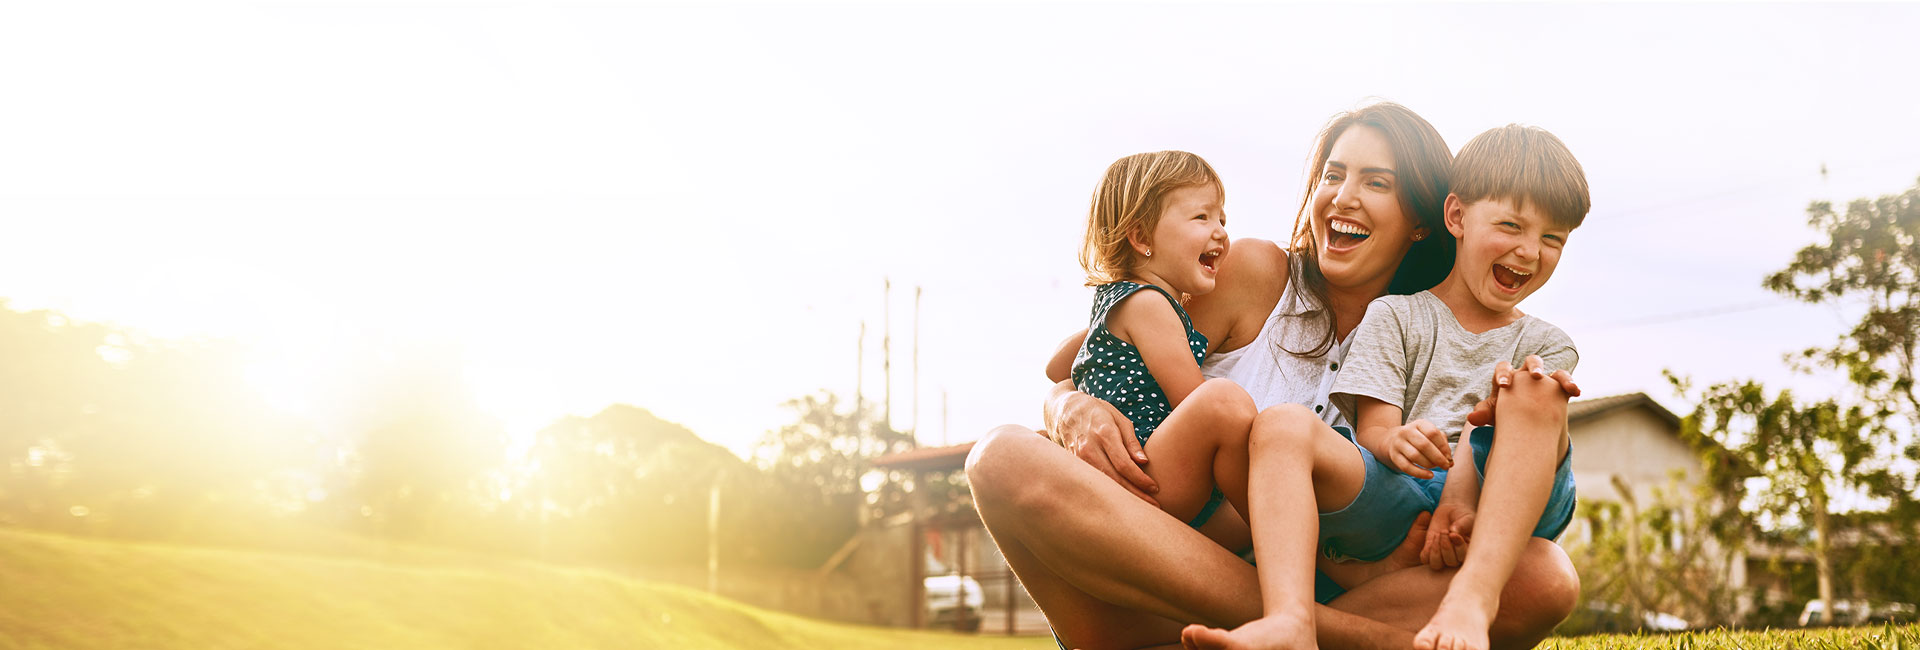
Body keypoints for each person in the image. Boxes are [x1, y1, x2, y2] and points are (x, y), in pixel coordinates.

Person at [969, 102, 1581, 650]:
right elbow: (1102, 350)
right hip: (1159, 561)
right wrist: (1068, 407)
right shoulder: (1253, 272)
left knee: (1544, 576)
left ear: (1423, 220)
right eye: (1333, 175)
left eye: (1376, 183)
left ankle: (1275, 628)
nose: (1343, 197)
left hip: (1335, 582)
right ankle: (1337, 636)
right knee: (999, 457)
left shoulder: (1435, 335)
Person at [1180, 124, 1591, 650]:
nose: (1530, 251)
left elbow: (1508, 443)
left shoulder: (1548, 343)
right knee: (1282, 424)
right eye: (1511, 226)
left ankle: (1471, 600)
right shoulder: (1395, 315)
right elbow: (1374, 427)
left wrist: (1464, 490)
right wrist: (1393, 440)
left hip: (1501, 500)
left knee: (1533, 390)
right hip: (1406, 493)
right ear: (1456, 217)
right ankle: (1290, 622)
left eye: (1553, 239)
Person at [1065, 150, 1259, 537]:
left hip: (1137, 477)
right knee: (1223, 401)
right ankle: (1276, 524)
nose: (1221, 232)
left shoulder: (1113, 301)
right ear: (1141, 237)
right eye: (1202, 217)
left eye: (1222, 219)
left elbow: (1059, 366)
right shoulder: (1150, 305)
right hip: (1146, 474)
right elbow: (1193, 399)